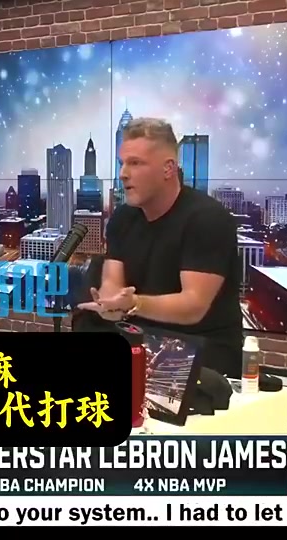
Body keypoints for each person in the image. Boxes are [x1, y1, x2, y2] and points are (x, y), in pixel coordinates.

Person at [75, 118, 243, 376]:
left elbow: (193, 307)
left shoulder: (207, 218)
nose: (123, 174)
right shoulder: (123, 217)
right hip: (143, 343)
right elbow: (112, 280)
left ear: (168, 169)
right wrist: (110, 304)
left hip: (202, 354)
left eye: (135, 163)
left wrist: (134, 304)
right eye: (122, 163)